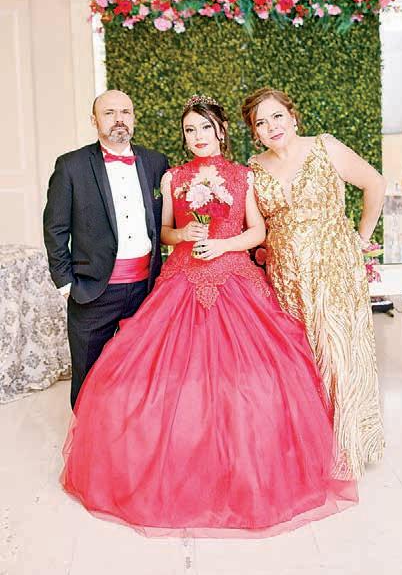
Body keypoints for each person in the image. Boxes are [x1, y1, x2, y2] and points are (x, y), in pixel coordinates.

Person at [60, 95, 357, 538]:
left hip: (235, 277)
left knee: (251, 379)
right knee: (165, 376)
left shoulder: (243, 176)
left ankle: (244, 466)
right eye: (189, 130)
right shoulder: (173, 177)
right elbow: (162, 232)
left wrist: (222, 245)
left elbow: (257, 231)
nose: (197, 137)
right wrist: (184, 233)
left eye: (204, 128)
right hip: (182, 278)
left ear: (221, 131)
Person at [242, 87, 386, 479]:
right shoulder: (253, 169)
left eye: (277, 116)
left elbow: (375, 183)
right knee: (299, 360)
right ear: (254, 133)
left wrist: (360, 239)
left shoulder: (325, 147)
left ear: (292, 117)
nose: (271, 127)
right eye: (261, 123)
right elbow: (255, 227)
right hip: (285, 277)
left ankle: (348, 447)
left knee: (338, 352)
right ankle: (311, 448)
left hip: (335, 268)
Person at [43, 90, 169, 409]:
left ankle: (130, 433)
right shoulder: (71, 166)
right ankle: (86, 435)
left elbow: (165, 222)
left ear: (134, 117)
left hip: (146, 289)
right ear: (94, 120)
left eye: (125, 112)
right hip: (93, 290)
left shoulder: (156, 162)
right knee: (88, 376)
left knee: (139, 373)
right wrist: (66, 283)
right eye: (109, 113)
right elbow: (55, 228)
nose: (119, 119)